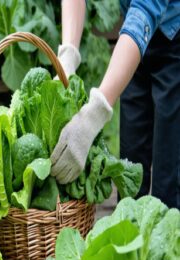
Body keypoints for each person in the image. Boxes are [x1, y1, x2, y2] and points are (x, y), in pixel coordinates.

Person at [51, 0, 180, 209]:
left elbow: (146, 10)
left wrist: (93, 115)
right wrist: (67, 56)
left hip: (174, 38)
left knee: (168, 182)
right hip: (131, 38)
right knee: (129, 172)